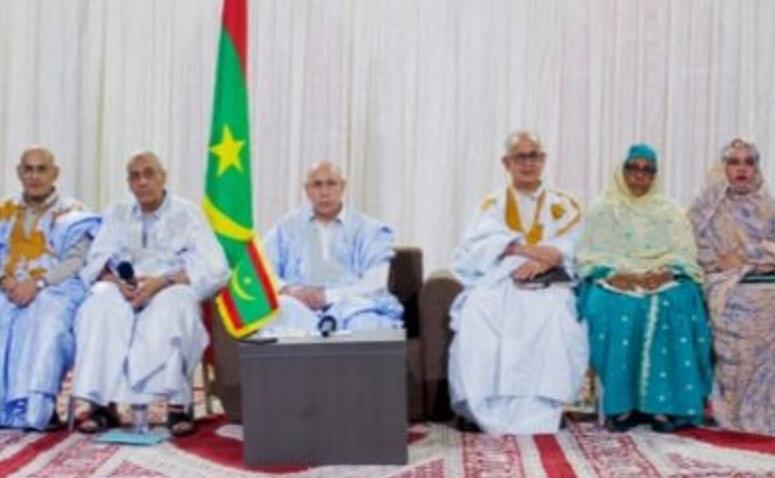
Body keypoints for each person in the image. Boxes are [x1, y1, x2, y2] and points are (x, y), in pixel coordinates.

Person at [71, 151, 229, 436]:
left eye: (149, 174)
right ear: (128, 183)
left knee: (177, 306)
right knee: (98, 304)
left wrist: (162, 282)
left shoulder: (187, 213)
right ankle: (103, 406)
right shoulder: (117, 212)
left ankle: (177, 405)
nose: (142, 182)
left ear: (163, 177)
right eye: (135, 176)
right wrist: (117, 283)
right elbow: (97, 260)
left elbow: (214, 267)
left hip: (168, 286)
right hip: (125, 289)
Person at [447, 130, 588, 435]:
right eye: (520, 157)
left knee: (554, 313)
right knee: (478, 310)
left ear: (543, 160)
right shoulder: (491, 205)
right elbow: (475, 249)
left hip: (549, 283)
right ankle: (483, 404)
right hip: (500, 281)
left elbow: (571, 248)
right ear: (506, 163)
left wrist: (535, 257)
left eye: (533, 156)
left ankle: (544, 406)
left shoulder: (565, 205)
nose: (527, 163)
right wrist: (525, 252)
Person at [576, 143, 713, 433]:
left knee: (675, 300)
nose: (639, 176)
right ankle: (620, 405)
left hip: (661, 276)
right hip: (616, 277)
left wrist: (667, 272)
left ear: (655, 175)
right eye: (633, 168)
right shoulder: (604, 209)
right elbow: (588, 254)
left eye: (647, 170)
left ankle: (665, 405)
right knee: (610, 304)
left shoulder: (670, 211)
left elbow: (685, 253)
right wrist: (611, 274)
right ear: (621, 171)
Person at [0, 146, 99, 431]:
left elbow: (76, 260)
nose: (34, 176)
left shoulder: (72, 212)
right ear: (19, 172)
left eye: (41, 169)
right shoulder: (6, 210)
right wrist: (6, 281)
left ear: (55, 173)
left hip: (57, 287)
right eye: (28, 169)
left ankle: (38, 407)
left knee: (47, 319)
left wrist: (38, 284)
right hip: (9, 287)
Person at [688, 138, 775, 436]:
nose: (742, 169)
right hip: (724, 283)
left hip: (765, 282)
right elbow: (694, 248)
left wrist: (750, 259)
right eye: (734, 162)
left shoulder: (768, 206)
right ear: (723, 167)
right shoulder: (706, 207)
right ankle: (732, 408)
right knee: (741, 315)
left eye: (749, 162)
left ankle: (767, 410)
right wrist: (720, 262)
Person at [259, 161, 402, 335]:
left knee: (366, 324)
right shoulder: (286, 227)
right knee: (281, 309)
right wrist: (288, 290)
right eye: (317, 185)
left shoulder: (369, 229)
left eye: (331, 183)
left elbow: (376, 282)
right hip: (302, 309)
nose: (324, 192)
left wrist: (327, 297)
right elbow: (262, 269)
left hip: (352, 309)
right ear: (307, 190)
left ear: (342, 187)